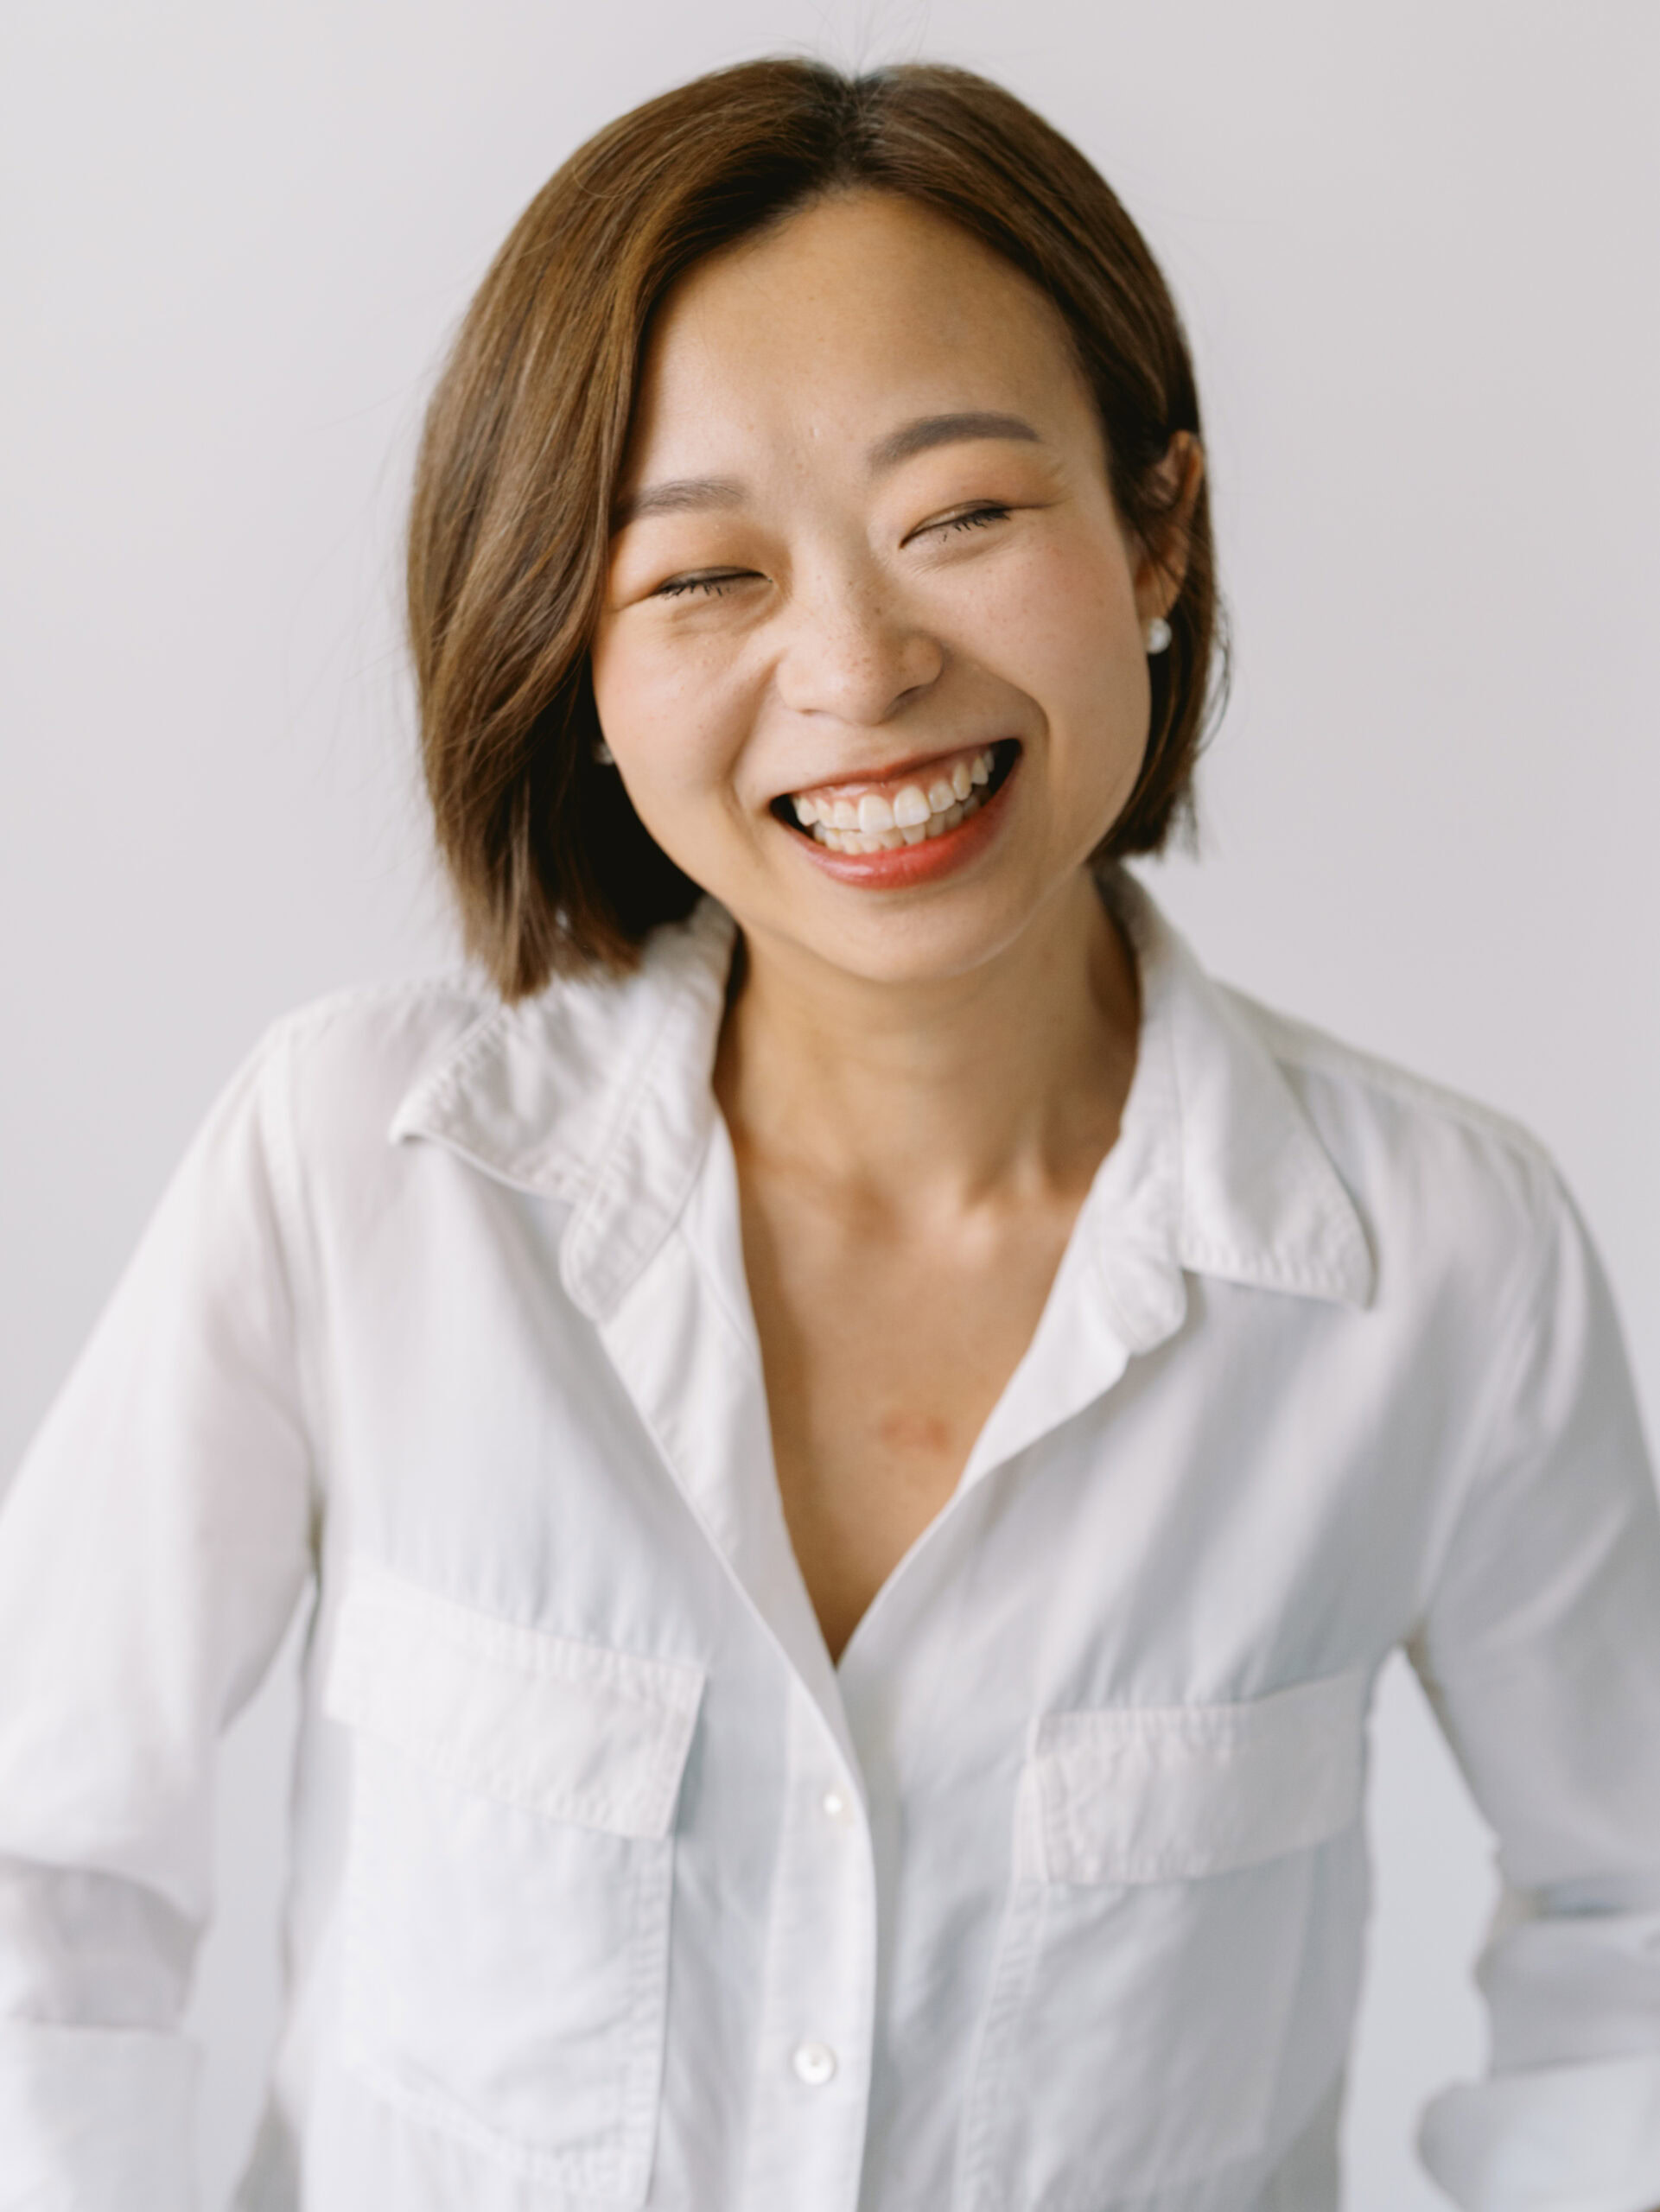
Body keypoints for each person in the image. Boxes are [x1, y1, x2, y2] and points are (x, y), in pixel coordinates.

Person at [1, 54, 1657, 2212]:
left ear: (1156, 529)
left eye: (957, 516)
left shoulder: (1438, 1258)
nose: (858, 668)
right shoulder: (361, 1169)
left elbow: (1628, 1932)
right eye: (702, 574)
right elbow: (43, 1867)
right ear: (573, 656)